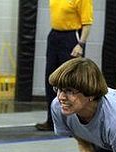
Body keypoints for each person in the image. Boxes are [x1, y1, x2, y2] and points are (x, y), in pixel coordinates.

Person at [35, 0, 93, 132]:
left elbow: (87, 23)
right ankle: (52, 120)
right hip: (54, 36)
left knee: (70, 82)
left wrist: (81, 44)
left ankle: (76, 124)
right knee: (51, 79)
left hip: (71, 37)